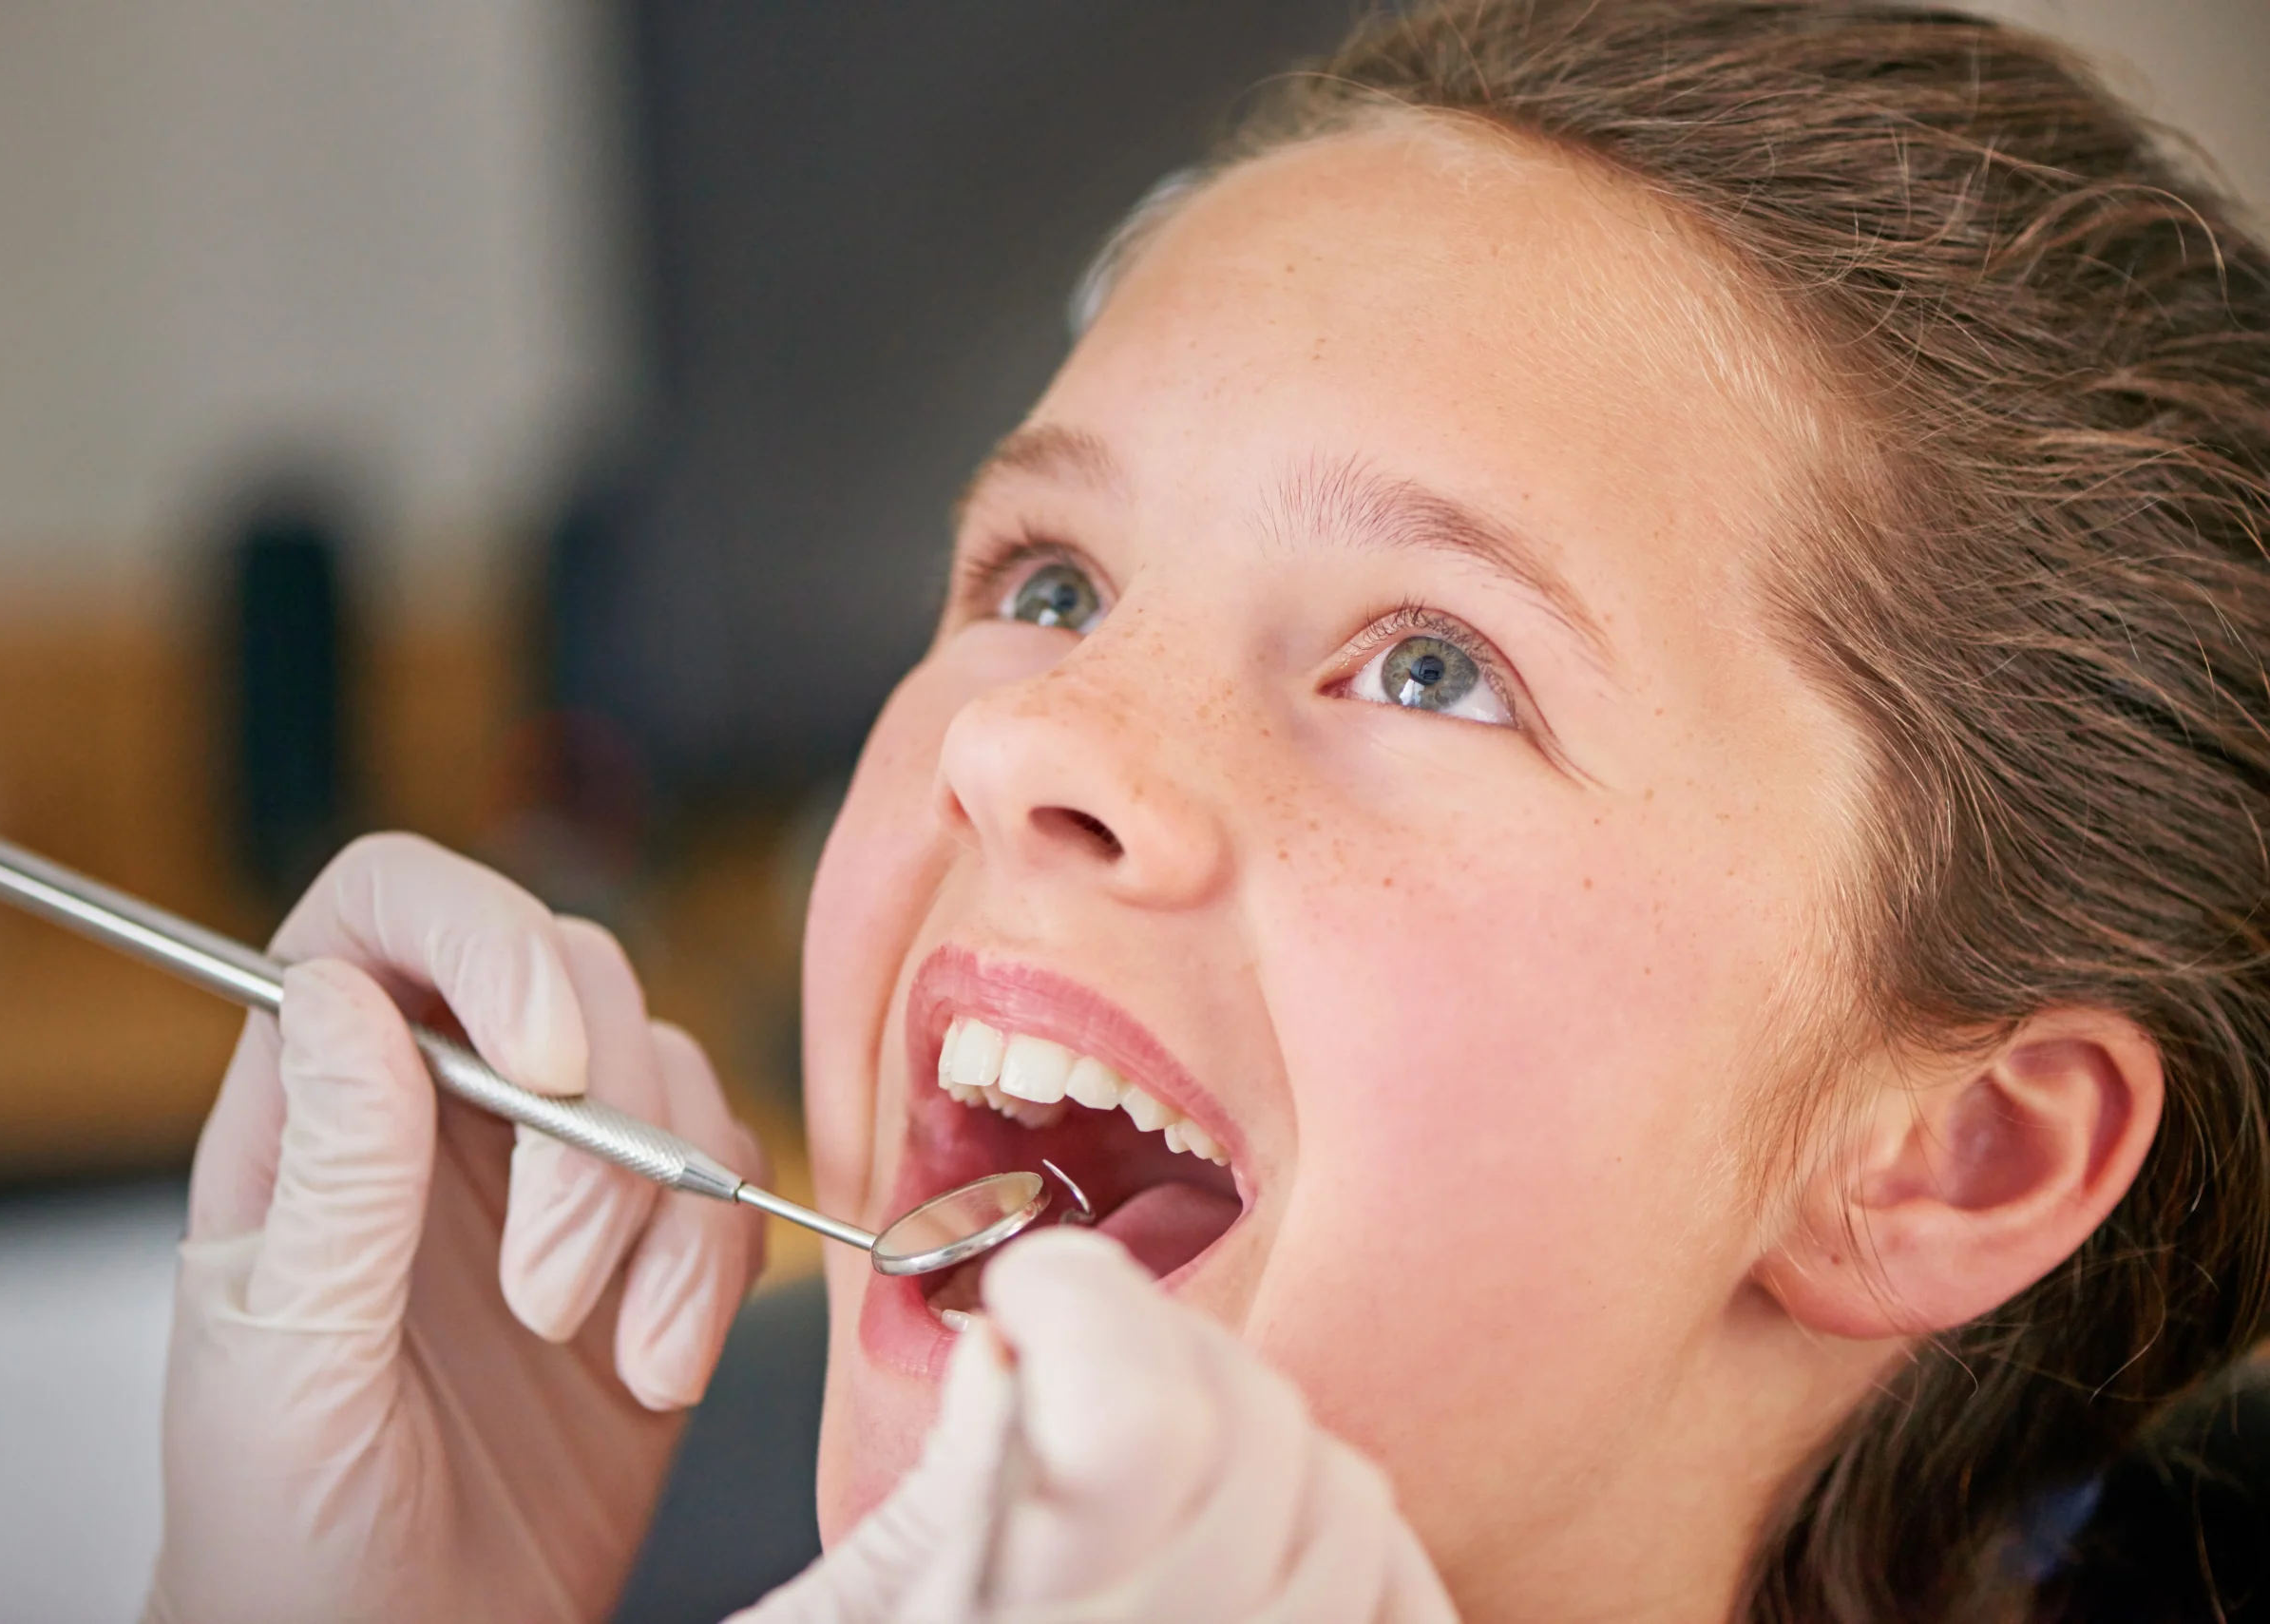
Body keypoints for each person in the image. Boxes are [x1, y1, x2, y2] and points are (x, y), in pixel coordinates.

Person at [141, 2, 2270, 1620]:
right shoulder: (654, 1516)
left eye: (1430, 662)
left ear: (1949, 1154)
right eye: (1044, 581)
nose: (1028, 734)